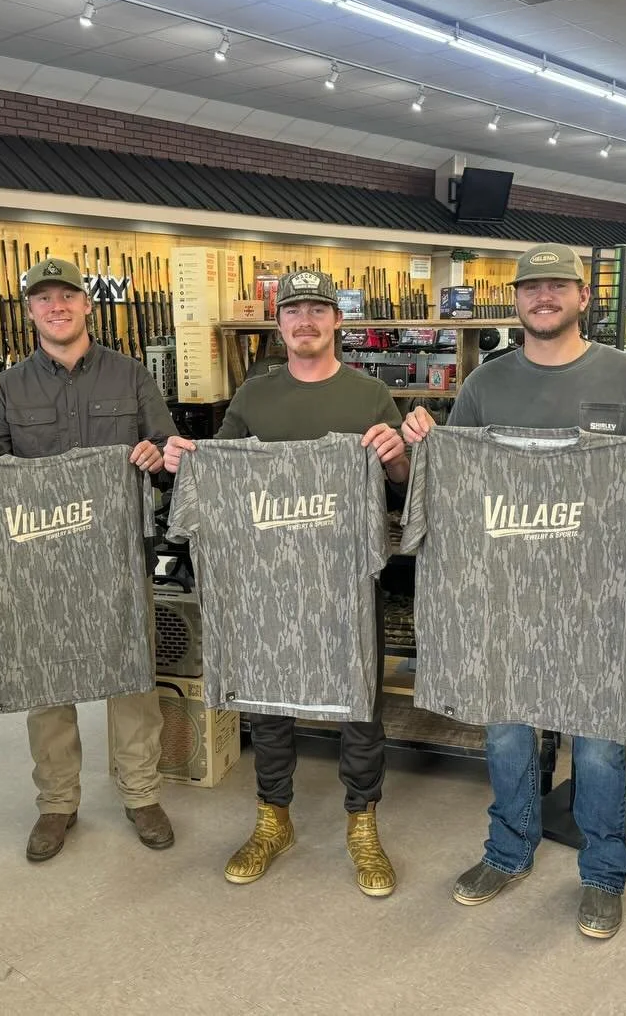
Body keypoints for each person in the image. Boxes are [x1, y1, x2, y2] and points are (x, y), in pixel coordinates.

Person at [400, 242, 626, 938]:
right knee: (506, 732)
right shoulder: (485, 383)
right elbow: (456, 487)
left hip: (596, 597)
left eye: (559, 286)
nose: (544, 297)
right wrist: (423, 447)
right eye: (531, 287)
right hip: (504, 597)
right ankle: (508, 850)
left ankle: (603, 872)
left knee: (599, 743)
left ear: (584, 297)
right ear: (518, 300)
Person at [162, 269, 409, 897]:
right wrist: (183, 460)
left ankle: (362, 821)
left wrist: (398, 453)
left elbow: (405, 484)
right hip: (265, 582)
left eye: (317, 310)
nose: (305, 321)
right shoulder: (253, 397)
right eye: (294, 310)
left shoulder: (370, 395)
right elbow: (217, 478)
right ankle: (273, 817)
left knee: (360, 701)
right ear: (281, 323)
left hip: (345, 579)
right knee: (268, 700)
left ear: (337, 322)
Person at [0, 256, 177, 863]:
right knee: (48, 680)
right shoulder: (9, 387)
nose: (57, 307)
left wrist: (156, 457)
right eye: (44, 299)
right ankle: (57, 802)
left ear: (87, 304)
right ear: (32, 311)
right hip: (39, 564)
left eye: (67, 296)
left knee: (132, 676)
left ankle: (141, 792)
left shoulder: (132, 377)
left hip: (119, 560)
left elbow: (173, 454)